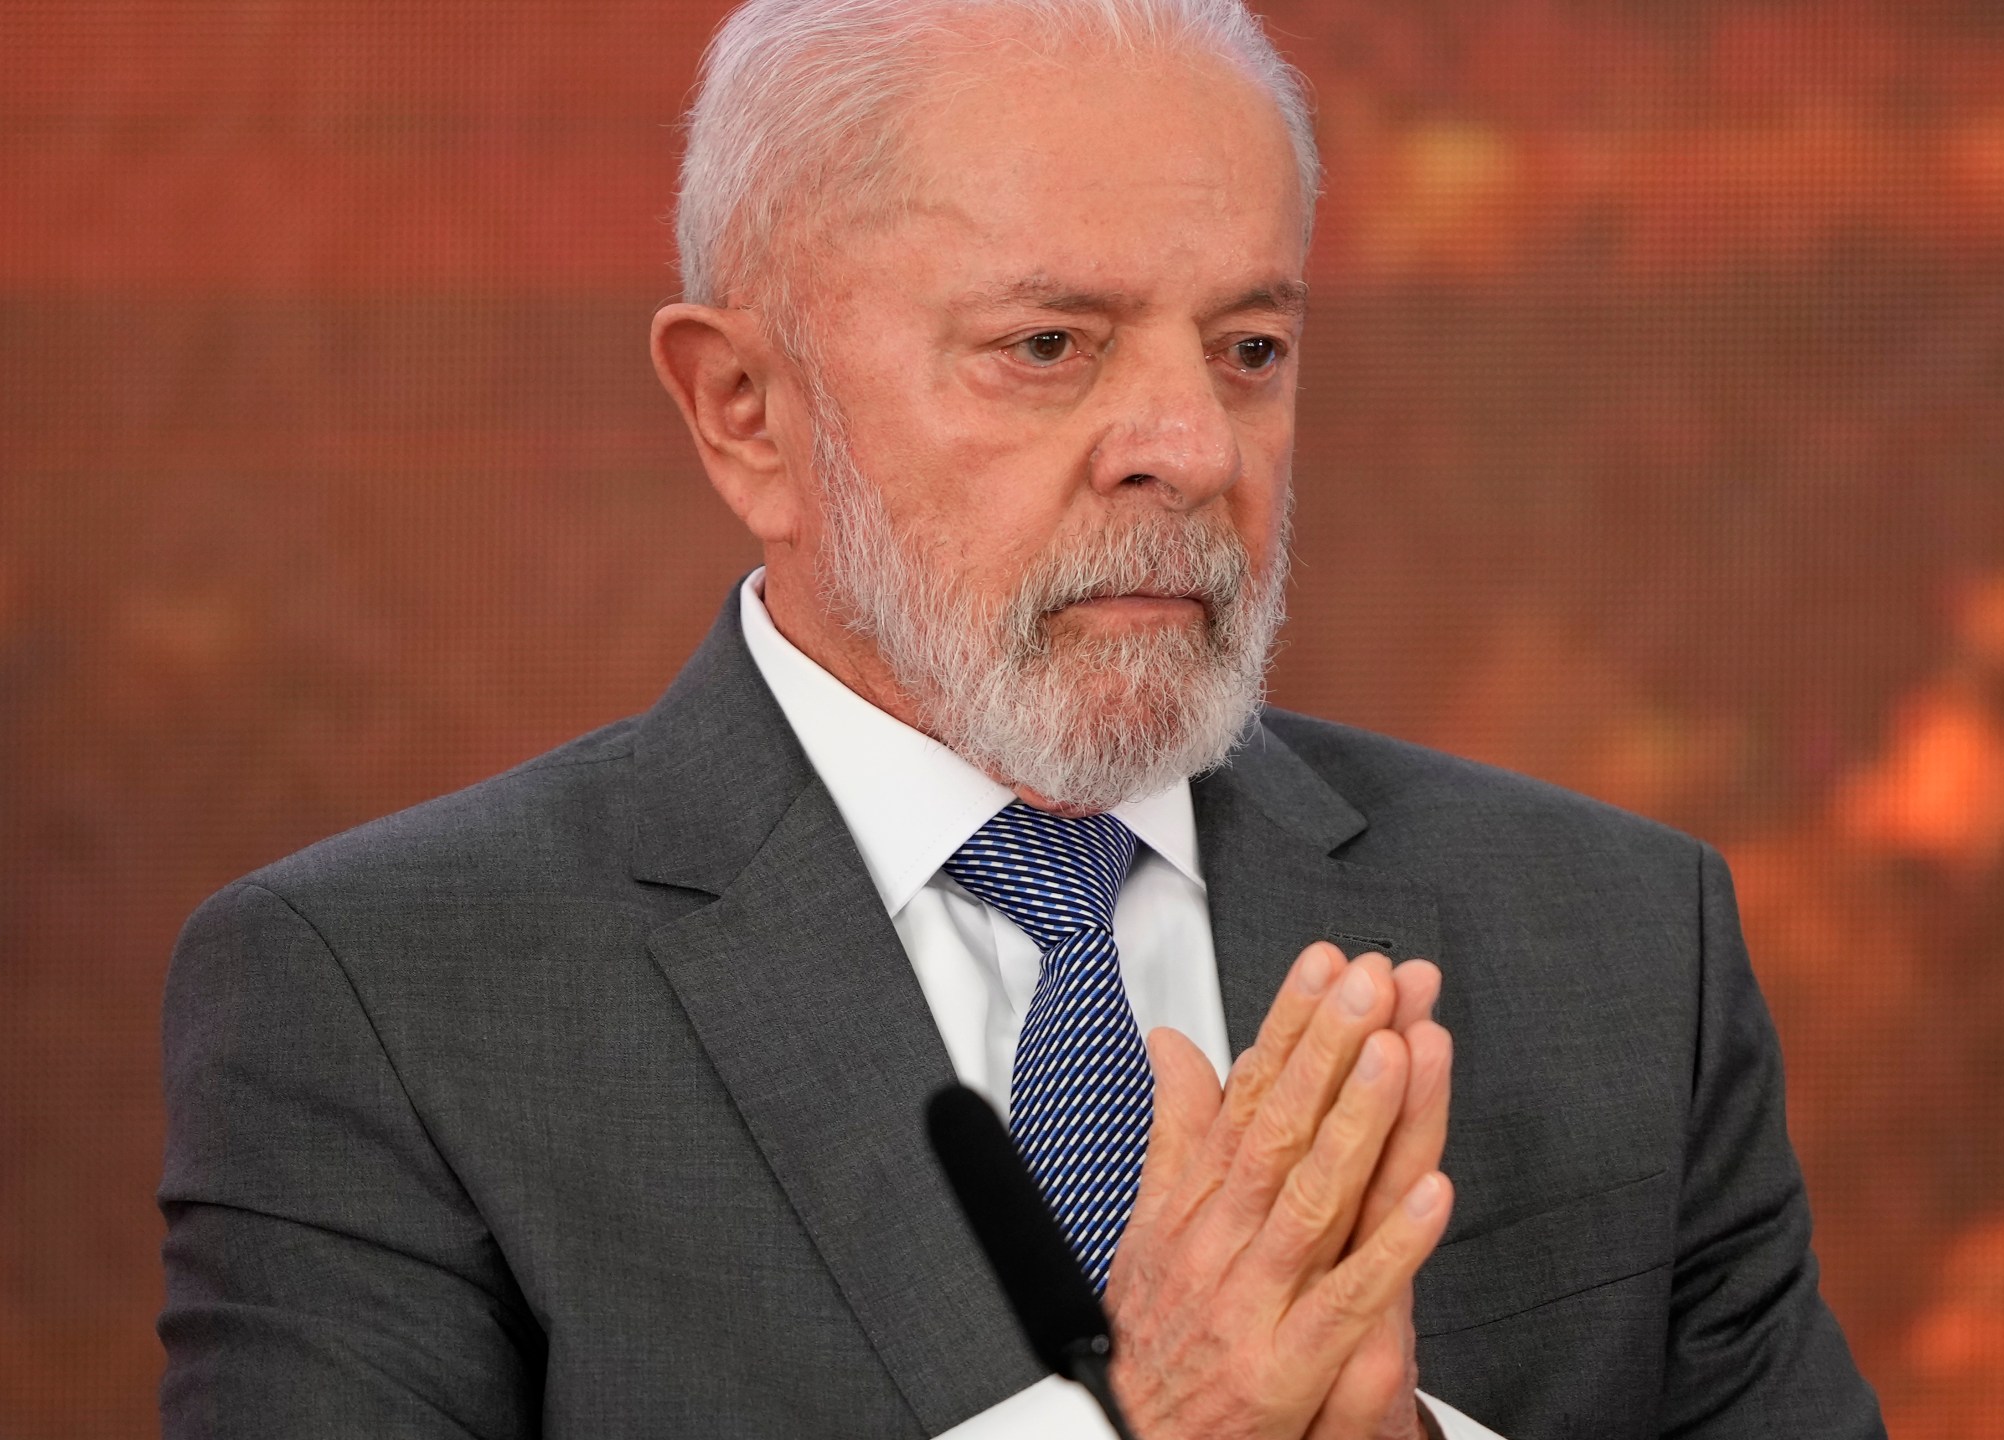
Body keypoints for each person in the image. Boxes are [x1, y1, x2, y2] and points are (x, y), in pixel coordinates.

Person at [156, 1, 1886, 1435]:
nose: (1192, 448)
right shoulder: (382, 997)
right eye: (1050, 346)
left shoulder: (1614, 943)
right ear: (746, 412)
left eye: (1251, 350)